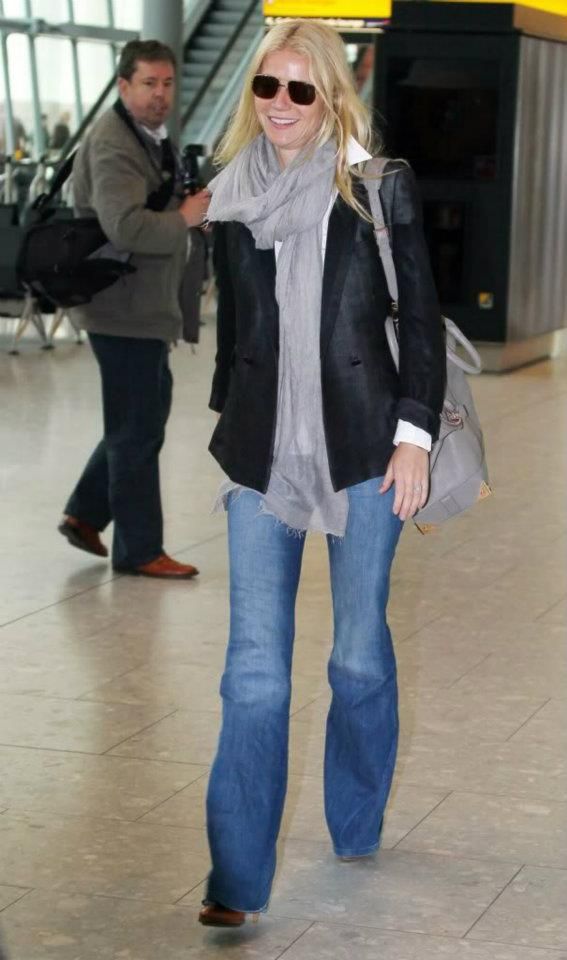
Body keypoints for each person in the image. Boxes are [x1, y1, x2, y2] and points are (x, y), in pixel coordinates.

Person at [198, 19, 446, 926]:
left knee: (355, 656)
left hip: (365, 449)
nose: (280, 104)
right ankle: (234, 883)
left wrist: (414, 435)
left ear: (331, 98)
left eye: (300, 89)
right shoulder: (232, 194)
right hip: (262, 456)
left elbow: (418, 314)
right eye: (267, 86)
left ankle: (356, 816)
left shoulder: (375, 187)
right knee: (253, 674)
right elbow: (238, 331)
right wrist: (233, 418)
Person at [58, 40, 210, 579]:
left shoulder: (145, 136)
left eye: (167, 84)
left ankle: (84, 513)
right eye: (148, 84)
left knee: (139, 417)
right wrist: (185, 218)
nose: (160, 95)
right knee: (138, 429)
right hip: (120, 308)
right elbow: (125, 227)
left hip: (139, 305)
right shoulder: (114, 144)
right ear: (124, 86)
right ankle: (140, 550)